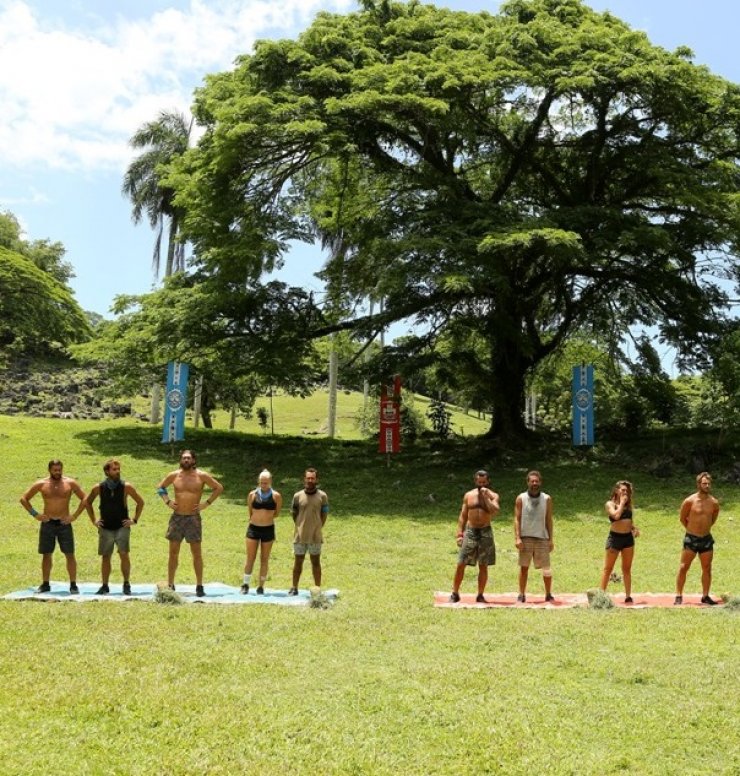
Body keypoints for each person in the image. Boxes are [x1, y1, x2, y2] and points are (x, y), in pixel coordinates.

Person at [156, 449, 223, 597]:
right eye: (183, 458)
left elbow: (218, 488)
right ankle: (170, 584)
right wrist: (167, 500)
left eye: (188, 458)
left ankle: (199, 586)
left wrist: (207, 503)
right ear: (181, 460)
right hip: (177, 517)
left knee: (196, 553)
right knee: (173, 553)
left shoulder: (201, 475)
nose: (186, 460)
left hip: (193, 518)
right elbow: (160, 487)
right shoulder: (174, 475)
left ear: (193, 460)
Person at [19, 459, 88, 594]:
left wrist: (74, 516)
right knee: (46, 554)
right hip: (48, 523)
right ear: (49, 470)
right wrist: (35, 514)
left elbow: (85, 499)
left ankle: (73, 584)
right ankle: (45, 584)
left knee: (70, 554)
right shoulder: (41, 484)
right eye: (55, 470)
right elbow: (24, 499)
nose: (57, 472)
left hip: (64, 523)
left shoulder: (70, 483)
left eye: (59, 469)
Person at [83, 458, 145, 595]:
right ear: (107, 471)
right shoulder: (98, 487)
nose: (118, 472)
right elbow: (87, 502)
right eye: (114, 469)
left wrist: (134, 520)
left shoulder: (126, 486)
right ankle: (104, 585)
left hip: (122, 526)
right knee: (106, 556)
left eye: (118, 469)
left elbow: (140, 502)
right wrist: (94, 520)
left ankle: (126, 583)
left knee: (124, 554)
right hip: (105, 527)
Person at [449, 469, 500, 603]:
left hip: (485, 531)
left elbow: (495, 510)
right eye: (479, 482)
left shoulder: (493, 496)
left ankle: (480, 594)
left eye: (484, 482)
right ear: (475, 481)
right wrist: (459, 534)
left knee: (483, 564)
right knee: (461, 562)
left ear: (488, 482)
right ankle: (455, 592)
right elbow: (463, 516)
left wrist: (486, 498)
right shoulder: (468, 495)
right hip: (471, 531)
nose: (481, 484)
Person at [674, 472, 720, 605]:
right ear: (698, 484)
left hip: (706, 539)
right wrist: (692, 530)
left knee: (707, 567)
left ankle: (705, 596)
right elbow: (682, 518)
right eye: (704, 483)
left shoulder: (714, 502)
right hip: (691, 538)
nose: (707, 486)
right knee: (684, 567)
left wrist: (705, 528)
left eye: (709, 483)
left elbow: (713, 519)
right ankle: (678, 595)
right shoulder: (690, 501)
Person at [514, 470, 554, 603]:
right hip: (525, 537)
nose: (535, 483)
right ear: (528, 482)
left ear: (540, 482)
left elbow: (549, 519)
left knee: (546, 568)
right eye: (532, 481)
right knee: (524, 567)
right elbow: (517, 519)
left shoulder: (547, 498)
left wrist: (551, 539)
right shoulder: (521, 498)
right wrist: (517, 538)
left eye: (537, 481)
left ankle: (548, 594)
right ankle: (521, 594)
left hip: (542, 537)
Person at [241, 469, 282, 594]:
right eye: (261, 482)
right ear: (258, 482)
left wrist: (266, 518)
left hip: (268, 529)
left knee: (264, 558)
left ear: (270, 482)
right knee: (250, 558)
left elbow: (277, 513)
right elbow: (250, 511)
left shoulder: (276, 496)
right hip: (253, 529)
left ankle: (261, 586)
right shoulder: (252, 495)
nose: (263, 485)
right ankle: (245, 584)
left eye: (266, 482)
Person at [289, 467, 329, 595]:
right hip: (300, 537)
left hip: (315, 537)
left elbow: (324, 514)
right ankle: (294, 587)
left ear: (316, 479)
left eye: (313, 478)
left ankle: (317, 589)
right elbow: (293, 513)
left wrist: (317, 526)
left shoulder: (322, 496)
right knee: (298, 562)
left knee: (316, 562)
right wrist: (300, 526)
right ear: (304, 479)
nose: (310, 480)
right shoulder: (297, 496)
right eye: (308, 478)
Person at [599, 480, 640, 603]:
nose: (625, 492)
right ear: (616, 490)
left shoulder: (628, 505)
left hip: (627, 539)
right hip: (615, 538)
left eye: (627, 491)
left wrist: (633, 528)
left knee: (626, 569)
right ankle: (601, 596)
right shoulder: (610, 504)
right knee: (608, 569)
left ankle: (628, 596)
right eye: (622, 490)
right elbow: (616, 516)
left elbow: (628, 519)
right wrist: (621, 503)